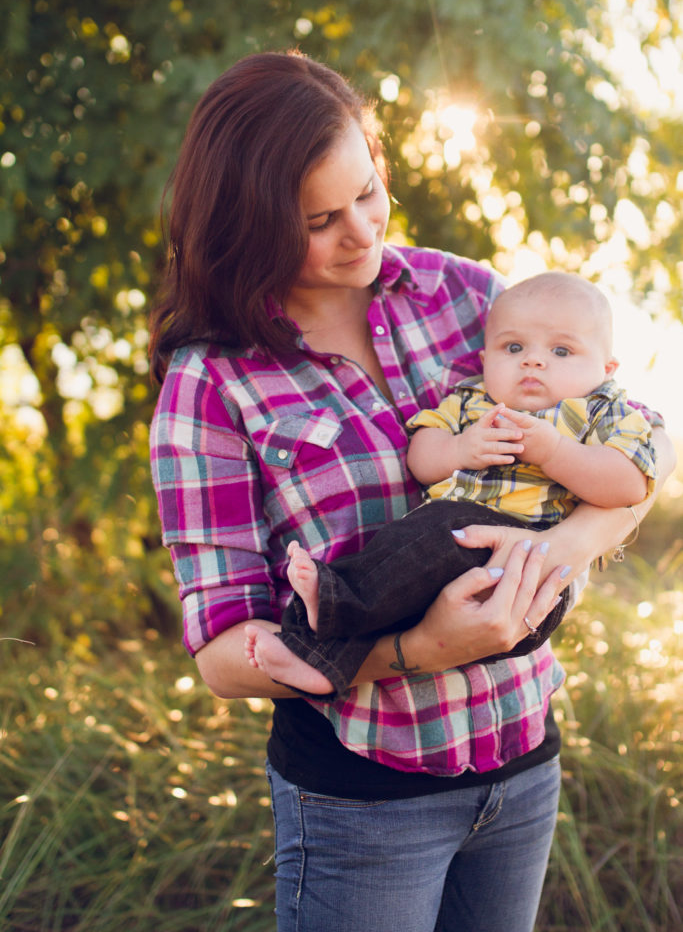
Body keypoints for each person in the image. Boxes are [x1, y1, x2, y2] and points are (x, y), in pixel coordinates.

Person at [148, 50, 675, 932]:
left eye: (367, 191)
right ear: (249, 226)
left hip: (521, 759)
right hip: (362, 800)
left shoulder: (469, 297)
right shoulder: (212, 384)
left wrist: (555, 552)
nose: (361, 231)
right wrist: (417, 651)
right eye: (319, 219)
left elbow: (632, 464)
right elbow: (220, 657)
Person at [243, 272, 657, 699]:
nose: (533, 361)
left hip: (526, 585)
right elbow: (421, 457)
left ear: (606, 369)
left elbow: (630, 485)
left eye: (561, 350)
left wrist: (554, 453)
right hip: (440, 551)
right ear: (484, 361)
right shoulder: (472, 402)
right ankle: (325, 662)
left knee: (434, 534)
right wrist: (460, 449)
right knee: (403, 561)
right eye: (513, 348)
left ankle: (323, 610)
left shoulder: (606, 413)